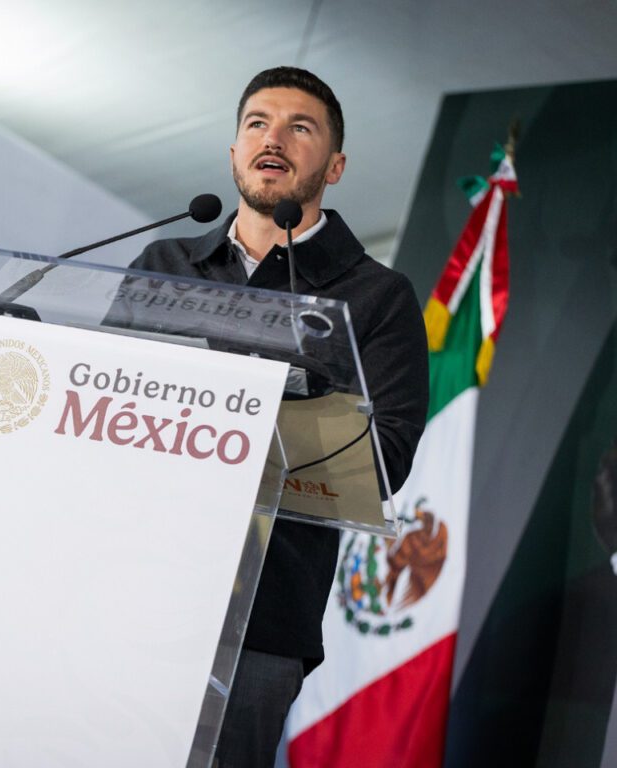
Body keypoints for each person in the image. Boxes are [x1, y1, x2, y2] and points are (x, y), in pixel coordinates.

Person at [118, 67, 429, 766]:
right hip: (127, 584)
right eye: (257, 123)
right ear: (233, 152)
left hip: (260, 621)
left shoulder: (376, 297)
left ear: (336, 166)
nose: (274, 139)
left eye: (300, 127)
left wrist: (260, 407)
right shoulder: (164, 262)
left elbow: (387, 458)